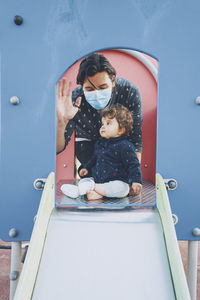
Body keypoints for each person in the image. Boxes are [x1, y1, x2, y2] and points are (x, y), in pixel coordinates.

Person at [56, 53, 142, 165]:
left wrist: (133, 176)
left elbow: (135, 140)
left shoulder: (129, 92)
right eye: (89, 89)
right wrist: (61, 123)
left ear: (113, 80)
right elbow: (58, 148)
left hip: (118, 141)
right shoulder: (74, 101)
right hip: (87, 143)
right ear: (82, 86)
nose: (97, 93)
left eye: (103, 87)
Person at [61, 104, 142, 200]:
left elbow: (133, 165)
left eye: (108, 123)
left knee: (123, 189)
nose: (103, 127)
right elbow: (94, 159)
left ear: (121, 129)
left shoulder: (125, 146)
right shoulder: (100, 144)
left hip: (117, 181)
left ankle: (89, 189)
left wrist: (136, 181)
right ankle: (92, 192)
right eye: (102, 124)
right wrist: (86, 168)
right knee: (85, 180)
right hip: (99, 181)